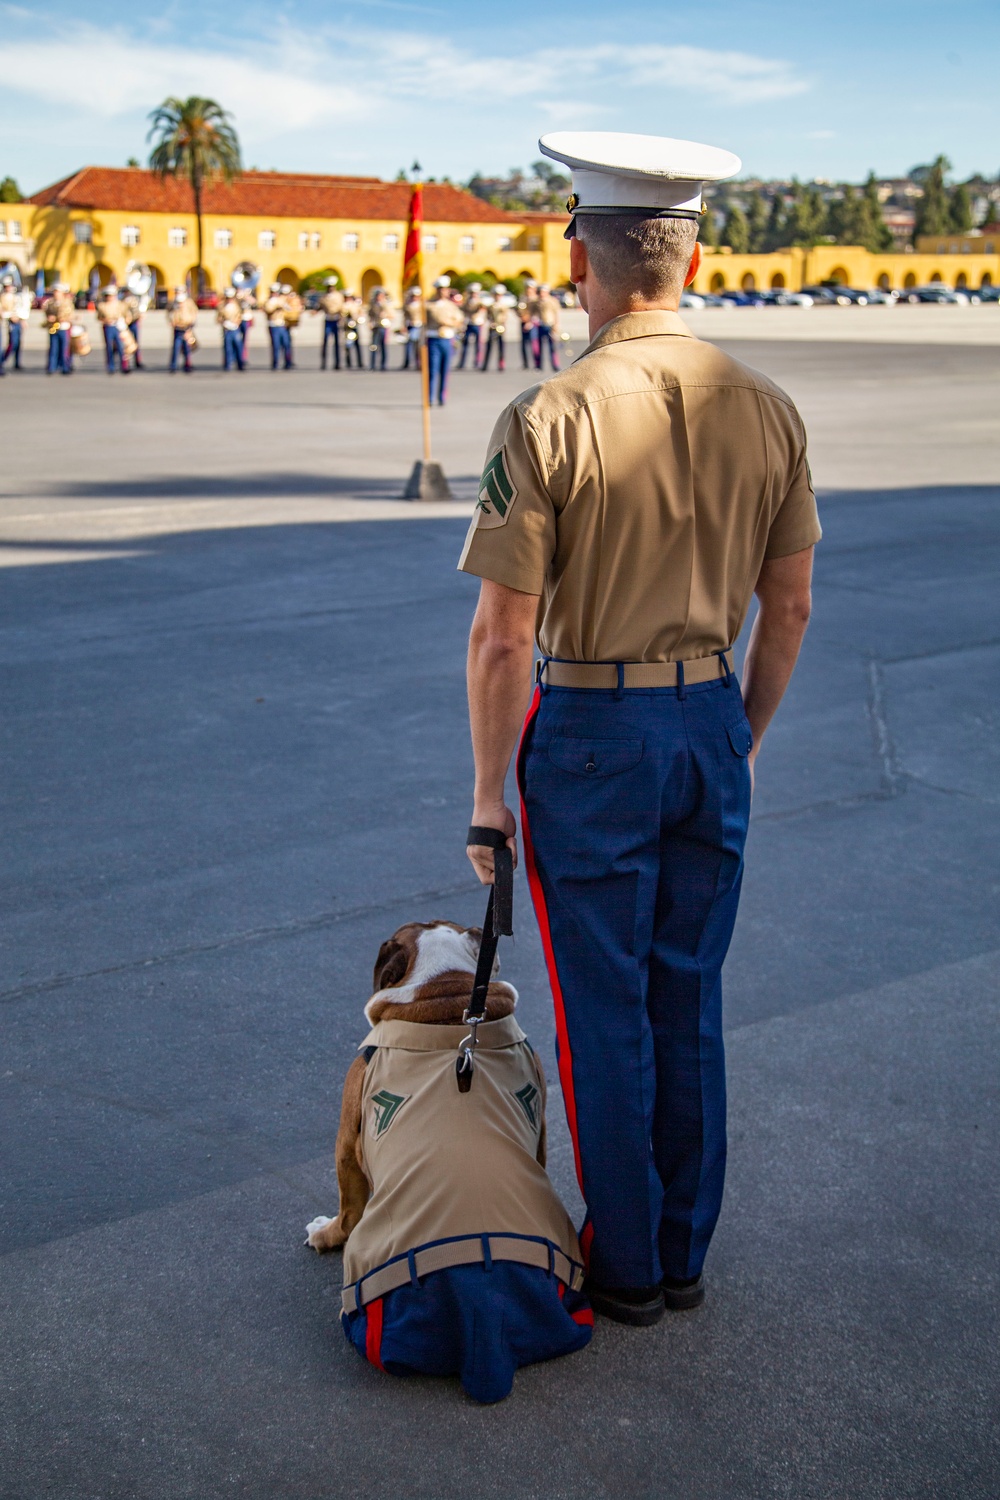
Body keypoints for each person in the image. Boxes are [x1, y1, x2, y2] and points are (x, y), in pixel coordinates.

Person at [460, 131, 821, 1329]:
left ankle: (621, 1268)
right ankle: (679, 1251)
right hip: (709, 721)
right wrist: (741, 730)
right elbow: (793, 601)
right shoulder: (769, 410)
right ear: (694, 259)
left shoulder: (546, 412)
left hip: (594, 733)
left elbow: (503, 635)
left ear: (583, 261)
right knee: (687, 995)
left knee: (601, 1007)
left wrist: (486, 795)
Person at [424, 275, 463, 405]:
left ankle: (442, 396)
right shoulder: (429, 305)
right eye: (440, 289)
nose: (443, 291)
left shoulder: (451, 306)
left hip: (447, 338)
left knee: (445, 370)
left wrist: (448, 322)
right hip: (433, 338)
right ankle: (429, 397)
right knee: (432, 370)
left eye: (445, 289)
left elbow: (458, 320)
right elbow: (423, 323)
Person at [96, 285, 130, 374]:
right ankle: (110, 366)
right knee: (109, 347)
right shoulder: (102, 306)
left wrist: (125, 323)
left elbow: (127, 315)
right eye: (107, 295)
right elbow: (99, 317)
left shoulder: (121, 305)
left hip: (119, 326)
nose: (109, 297)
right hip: (108, 326)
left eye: (111, 295)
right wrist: (106, 320)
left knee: (122, 347)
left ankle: (124, 366)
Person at [42, 283, 75, 375]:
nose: (56, 293)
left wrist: (61, 318)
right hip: (53, 327)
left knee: (65, 348)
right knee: (53, 348)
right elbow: (47, 313)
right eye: (55, 291)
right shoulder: (50, 303)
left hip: (64, 327)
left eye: (58, 292)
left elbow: (70, 315)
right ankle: (51, 367)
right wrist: (49, 317)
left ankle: (65, 367)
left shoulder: (67, 302)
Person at [167, 285, 198, 373]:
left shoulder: (189, 302)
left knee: (187, 348)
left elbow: (194, 313)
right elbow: (168, 313)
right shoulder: (173, 302)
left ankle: (187, 365)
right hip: (177, 328)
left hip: (187, 327)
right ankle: (173, 366)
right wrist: (171, 321)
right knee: (176, 347)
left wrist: (191, 325)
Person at [457, 282, 487, 369]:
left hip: (478, 324)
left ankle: (478, 361)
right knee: (465, 344)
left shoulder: (481, 302)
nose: (473, 294)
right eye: (472, 292)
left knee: (478, 345)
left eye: (475, 293)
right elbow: (464, 311)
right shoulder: (467, 302)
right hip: (469, 323)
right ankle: (462, 362)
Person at [317, 278, 344, 369]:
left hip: (336, 319)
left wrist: (342, 317)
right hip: (328, 319)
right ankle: (324, 363)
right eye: (329, 287)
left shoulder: (338, 296)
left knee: (337, 343)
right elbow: (320, 306)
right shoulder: (324, 297)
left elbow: (341, 308)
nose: (330, 288)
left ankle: (337, 363)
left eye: (331, 286)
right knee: (325, 342)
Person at [532, 284, 561, 371]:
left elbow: (556, 314)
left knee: (552, 347)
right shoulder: (536, 302)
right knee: (538, 347)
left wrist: (556, 325)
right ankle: (539, 365)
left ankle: (555, 364)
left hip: (550, 325)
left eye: (544, 292)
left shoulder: (552, 301)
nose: (542, 294)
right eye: (540, 292)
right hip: (540, 325)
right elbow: (533, 313)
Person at [0, 274, 26, 371]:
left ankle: (17, 362)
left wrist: (22, 319)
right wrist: (10, 316)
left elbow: (21, 308)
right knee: (13, 343)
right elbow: (2, 311)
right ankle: (3, 360)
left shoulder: (17, 296)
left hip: (18, 320)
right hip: (9, 321)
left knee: (18, 343)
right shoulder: (3, 297)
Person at [481, 285, 508, 371]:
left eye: (499, 295)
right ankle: (485, 364)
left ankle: (501, 364)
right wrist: (491, 322)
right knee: (489, 346)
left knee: (501, 347)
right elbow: (488, 316)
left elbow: (505, 316)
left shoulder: (503, 306)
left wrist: (502, 323)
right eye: (496, 294)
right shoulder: (491, 306)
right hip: (492, 327)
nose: (497, 296)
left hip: (500, 327)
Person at [217, 286, 245, 370]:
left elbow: (240, 315)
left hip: (235, 328)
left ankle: (240, 364)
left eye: (231, 298)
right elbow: (218, 318)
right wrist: (223, 322)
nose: (229, 299)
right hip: (227, 329)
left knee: (238, 347)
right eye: (228, 298)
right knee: (227, 348)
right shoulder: (222, 306)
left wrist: (237, 321)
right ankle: (228, 365)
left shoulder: (237, 305)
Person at [264, 283, 290, 369]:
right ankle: (275, 363)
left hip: (282, 324)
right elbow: (268, 310)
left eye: (275, 292)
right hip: (273, 325)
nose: (274, 294)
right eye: (273, 292)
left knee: (286, 344)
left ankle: (288, 362)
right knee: (276, 345)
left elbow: (289, 309)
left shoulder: (281, 300)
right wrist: (276, 308)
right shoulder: (268, 301)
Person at [368, 286, 394, 371]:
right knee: (374, 346)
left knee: (383, 346)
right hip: (376, 325)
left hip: (383, 326)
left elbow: (392, 315)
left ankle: (383, 364)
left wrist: (385, 315)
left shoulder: (386, 304)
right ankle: (372, 364)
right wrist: (370, 323)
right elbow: (370, 314)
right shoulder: (373, 304)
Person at [121, 287, 145, 369]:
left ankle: (137, 361)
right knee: (127, 344)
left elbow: (138, 311)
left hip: (134, 322)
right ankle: (125, 363)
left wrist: (139, 317)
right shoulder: (122, 302)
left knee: (136, 342)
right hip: (126, 323)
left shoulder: (134, 300)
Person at [400, 286, 423, 370]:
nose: (414, 298)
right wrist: (403, 326)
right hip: (411, 326)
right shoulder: (407, 305)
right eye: (413, 296)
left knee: (419, 347)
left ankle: (419, 363)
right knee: (408, 346)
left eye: (416, 296)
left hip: (420, 326)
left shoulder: (422, 305)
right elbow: (405, 317)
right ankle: (407, 362)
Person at [517, 281, 538, 369]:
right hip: (523, 323)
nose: (528, 290)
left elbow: (537, 313)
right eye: (527, 288)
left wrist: (530, 322)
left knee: (534, 344)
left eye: (530, 288)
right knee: (523, 344)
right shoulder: (523, 299)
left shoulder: (536, 300)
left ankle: (537, 363)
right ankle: (525, 363)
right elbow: (519, 311)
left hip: (533, 323)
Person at [342, 291, 364, 369]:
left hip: (354, 326)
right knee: (347, 345)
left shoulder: (355, 305)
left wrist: (358, 318)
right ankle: (348, 362)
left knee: (357, 345)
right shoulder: (343, 306)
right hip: (347, 327)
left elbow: (360, 313)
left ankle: (360, 362)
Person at [282, 284, 302, 366]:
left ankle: (288, 360)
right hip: (282, 324)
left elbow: (296, 311)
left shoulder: (294, 300)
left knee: (288, 343)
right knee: (283, 344)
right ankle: (285, 361)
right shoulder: (281, 299)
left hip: (290, 323)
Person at [237, 289, 255, 364]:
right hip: (238, 319)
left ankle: (243, 357)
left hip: (246, 319)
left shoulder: (248, 296)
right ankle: (237, 357)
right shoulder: (238, 295)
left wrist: (246, 296)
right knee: (237, 340)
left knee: (245, 341)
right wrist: (240, 296)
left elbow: (254, 302)